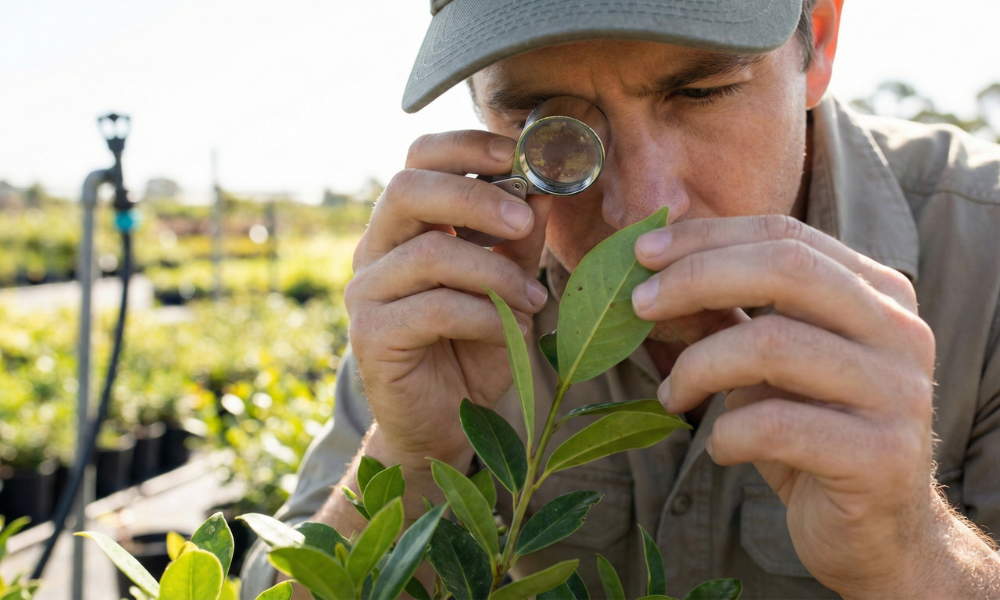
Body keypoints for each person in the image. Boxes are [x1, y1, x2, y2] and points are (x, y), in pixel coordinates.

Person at [242, 0, 1000, 597]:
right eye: (551, 125)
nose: (640, 207)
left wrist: (916, 556)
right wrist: (410, 464)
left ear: (819, 41)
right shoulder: (454, 283)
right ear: (480, 104)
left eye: (702, 92)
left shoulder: (984, 258)